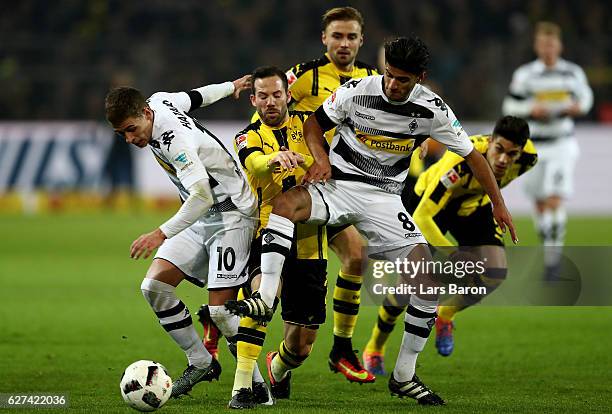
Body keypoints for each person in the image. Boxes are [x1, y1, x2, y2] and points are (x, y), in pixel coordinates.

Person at [228, 36, 517, 406]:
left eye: (404, 80)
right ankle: (265, 296)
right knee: (286, 205)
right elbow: (315, 124)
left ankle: (404, 376)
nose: (394, 85)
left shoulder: (434, 110)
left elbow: (474, 157)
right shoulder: (356, 91)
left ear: (421, 78)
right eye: (390, 76)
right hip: (338, 185)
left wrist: (499, 204)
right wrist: (321, 158)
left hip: (384, 199)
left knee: (426, 280)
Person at [104, 76, 271, 403]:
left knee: (220, 312)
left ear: (144, 113)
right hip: (201, 219)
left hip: (231, 216)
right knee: (153, 288)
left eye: (130, 129)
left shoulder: (172, 139)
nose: (128, 138)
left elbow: (202, 196)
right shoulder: (160, 100)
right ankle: (200, 362)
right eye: (120, 133)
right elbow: (195, 97)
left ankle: (257, 387)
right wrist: (230, 87)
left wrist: (159, 233)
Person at [363, 116, 537, 374]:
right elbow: (424, 217)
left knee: (495, 272)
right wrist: (453, 254)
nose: (503, 160)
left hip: (472, 206)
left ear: (521, 151)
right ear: (490, 142)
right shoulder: (459, 162)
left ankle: (445, 314)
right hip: (429, 206)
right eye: (498, 150)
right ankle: (374, 348)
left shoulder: (529, 159)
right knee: (404, 289)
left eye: (511, 154)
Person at [225, 66, 327, 408]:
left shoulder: (309, 125)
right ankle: (241, 387)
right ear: (253, 99)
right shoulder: (246, 135)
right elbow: (253, 165)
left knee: (302, 346)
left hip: (311, 242)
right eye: (263, 96)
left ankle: (278, 368)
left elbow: (332, 159)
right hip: (266, 232)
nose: (270, 102)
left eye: (276, 94)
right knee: (261, 300)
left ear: (287, 95)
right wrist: (274, 159)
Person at [502, 22, 592, 280]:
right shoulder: (526, 75)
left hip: (562, 143)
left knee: (554, 199)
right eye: (543, 44)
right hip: (533, 146)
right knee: (540, 204)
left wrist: (578, 108)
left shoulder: (572, 73)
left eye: (552, 44)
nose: (548, 49)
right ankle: (550, 253)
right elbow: (509, 104)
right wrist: (531, 109)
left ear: (559, 45)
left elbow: (586, 99)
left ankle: (553, 262)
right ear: (537, 46)